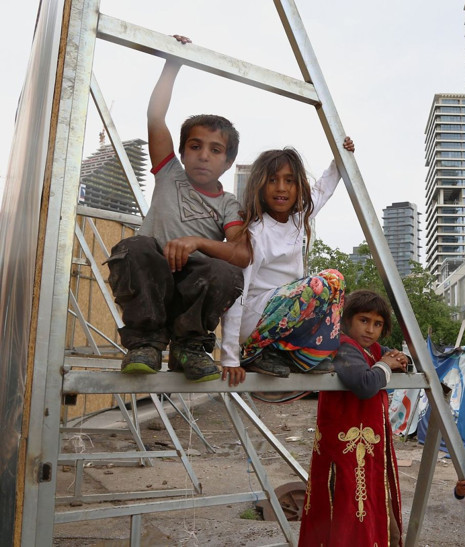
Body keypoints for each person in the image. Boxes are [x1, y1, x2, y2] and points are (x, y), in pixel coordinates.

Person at [106, 35, 249, 382]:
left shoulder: (229, 203)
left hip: (190, 290)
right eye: (196, 146)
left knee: (227, 272)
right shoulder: (169, 173)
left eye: (216, 150)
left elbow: (242, 253)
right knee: (135, 246)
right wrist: (173, 64)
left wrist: (197, 242)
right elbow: (156, 115)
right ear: (182, 152)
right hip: (150, 284)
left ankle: (189, 346)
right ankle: (145, 342)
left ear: (228, 162)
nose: (204, 154)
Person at [218, 137, 354, 386]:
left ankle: (298, 356)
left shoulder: (297, 220)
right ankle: (257, 351)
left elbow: (324, 189)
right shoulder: (256, 233)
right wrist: (229, 356)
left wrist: (340, 157)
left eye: (289, 181)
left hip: (283, 314)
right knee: (315, 285)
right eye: (273, 180)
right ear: (260, 186)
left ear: (298, 186)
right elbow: (237, 294)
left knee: (335, 279)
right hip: (252, 320)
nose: (281, 188)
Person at [298, 290, 408, 547]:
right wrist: (385, 365)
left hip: (368, 451)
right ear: (347, 320)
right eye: (364, 320)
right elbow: (365, 384)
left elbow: (394, 359)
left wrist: (402, 359)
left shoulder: (373, 349)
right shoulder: (344, 347)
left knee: (373, 505)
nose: (370, 329)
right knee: (345, 510)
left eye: (377, 324)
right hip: (344, 453)